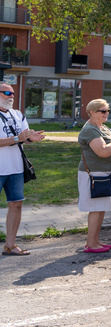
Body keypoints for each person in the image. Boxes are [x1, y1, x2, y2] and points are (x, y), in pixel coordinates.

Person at [77, 99, 111, 253]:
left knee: (101, 208)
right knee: (95, 208)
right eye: (103, 111)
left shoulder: (103, 128)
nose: (107, 113)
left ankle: (95, 240)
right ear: (92, 112)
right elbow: (103, 151)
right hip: (93, 174)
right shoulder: (90, 130)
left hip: (105, 173)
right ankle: (91, 244)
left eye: (108, 110)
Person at [0, 83, 45, 256]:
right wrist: (17, 138)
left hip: (16, 168)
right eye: (6, 93)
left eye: (12, 93)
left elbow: (23, 138)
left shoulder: (18, 114)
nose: (11, 96)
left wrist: (31, 139)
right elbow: (16, 138)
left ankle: (10, 245)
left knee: (16, 204)